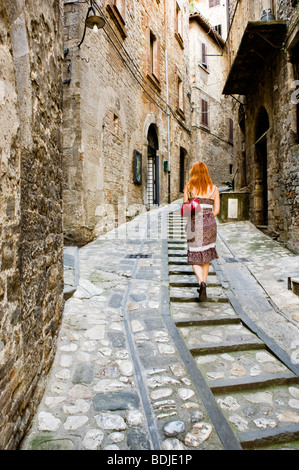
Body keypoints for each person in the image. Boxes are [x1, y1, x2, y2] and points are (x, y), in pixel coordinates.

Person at [183, 161, 220, 301]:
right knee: (206, 256)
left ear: (194, 173)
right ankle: (203, 285)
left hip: (194, 225)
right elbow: (216, 211)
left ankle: (201, 283)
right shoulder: (214, 189)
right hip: (210, 224)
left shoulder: (189, 187)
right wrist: (207, 217)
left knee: (195, 256)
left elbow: (186, 211)